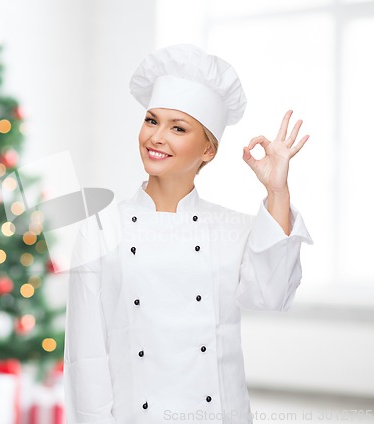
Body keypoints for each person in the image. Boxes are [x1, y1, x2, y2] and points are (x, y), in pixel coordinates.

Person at [63, 44, 313, 424]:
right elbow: (87, 357)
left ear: (208, 149)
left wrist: (277, 191)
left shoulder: (232, 229)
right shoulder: (101, 229)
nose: (156, 137)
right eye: (151, 120)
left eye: (177, 128)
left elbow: (272, 296)